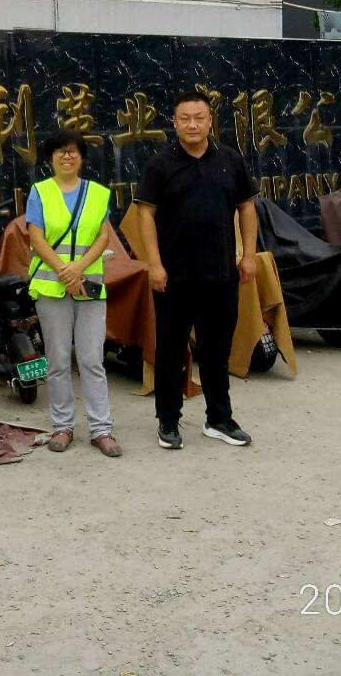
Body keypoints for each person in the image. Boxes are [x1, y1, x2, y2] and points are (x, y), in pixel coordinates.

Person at [134, 90, 258, 450]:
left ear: (210, 121)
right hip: (174, 277)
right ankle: (168, 421)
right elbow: (145, 215)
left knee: (217, 351)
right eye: (185, 118)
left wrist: (249, 255)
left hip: (221, 274)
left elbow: (247, 208)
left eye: (199, 117)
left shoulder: (230, 160)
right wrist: (154, 264)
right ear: (174, 123)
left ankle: (219, 419)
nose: (192, 124)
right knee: (170, 352)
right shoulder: (160, 164)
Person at [27, 129, 122, 457]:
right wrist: (64, 271)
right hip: (51, 287)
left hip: (89, 285)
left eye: (73, 151)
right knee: (57, 360)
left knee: (92, 359)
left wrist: (78, 267)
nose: (66, 156)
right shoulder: (39, 192)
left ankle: (101, 429)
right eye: (60, 151)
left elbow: (103, 237)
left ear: (81, 157)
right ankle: (62, 426)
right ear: (50, 158)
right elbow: (36, 238)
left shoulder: (97, 193)